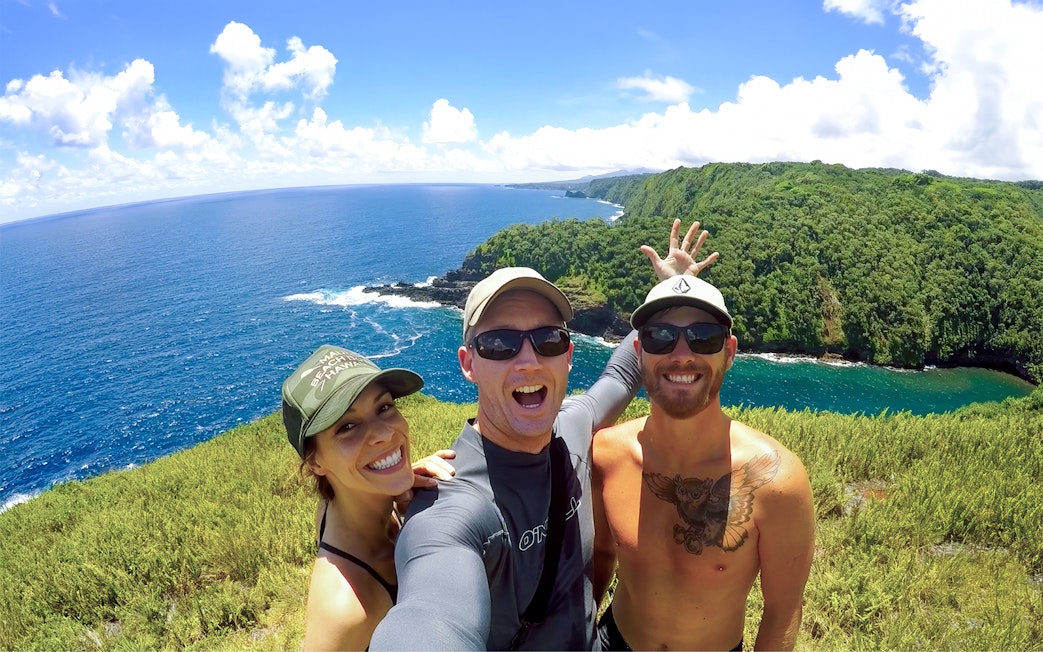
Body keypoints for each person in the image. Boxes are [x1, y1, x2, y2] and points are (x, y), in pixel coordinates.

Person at [370, 220, 717, 650]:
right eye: (500, 344)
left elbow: (623, 373)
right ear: (468, 363)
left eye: (548, 340)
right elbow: (432, 614)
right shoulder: (449, 505)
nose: (529, 361)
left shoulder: (573, 423)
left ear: (568, 356)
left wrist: (673, 291)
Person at [592, 275, 816, 651]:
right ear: (639, 350)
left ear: (729, 351)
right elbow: (600, 554)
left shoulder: (777, 481)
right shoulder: (606, 454)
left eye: (704, 337)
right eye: (660, 337)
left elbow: (782, 609)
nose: (682, 354)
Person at [281, 344, 456, 651]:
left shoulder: (335, 505)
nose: (384, 434)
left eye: (384, 407)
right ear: (315, 464)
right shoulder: (347, 610)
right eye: (347, 427)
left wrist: (401, 487)